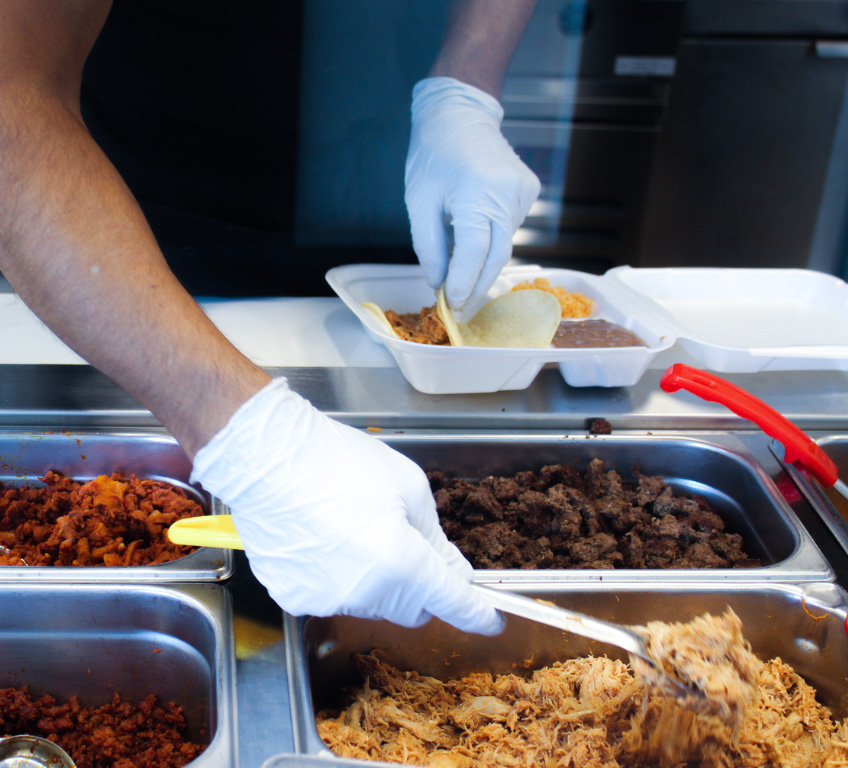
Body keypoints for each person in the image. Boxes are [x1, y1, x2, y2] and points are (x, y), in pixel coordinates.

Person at [0, 0, 540, 634]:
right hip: (121, 209)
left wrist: (465, 89)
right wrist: (251, 440)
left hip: (376, 163)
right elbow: (11, 105)